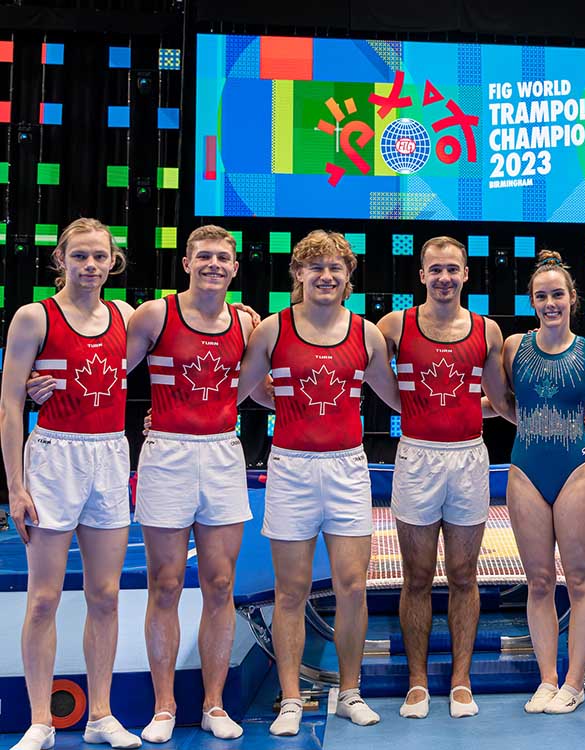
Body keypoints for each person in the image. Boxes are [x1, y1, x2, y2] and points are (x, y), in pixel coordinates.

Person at [237, 230, 399, 735]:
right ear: (299, 274)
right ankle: (290, 699)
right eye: (316, 267)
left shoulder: (367, 334)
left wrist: (473, 409)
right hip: (291, 468)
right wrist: (165, 417)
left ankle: (350, 692)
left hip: (347, 468)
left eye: (335, 268)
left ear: (348, 278)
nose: (326, 276)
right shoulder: (272, 329)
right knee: (291, 590)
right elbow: (234, 392)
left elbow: (402, 400)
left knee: (352, 587)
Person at [1, 219, 141, 750]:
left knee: (105, 595)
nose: (90, 265)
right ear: (60, 259)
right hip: (54, 457)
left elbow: (184, 324)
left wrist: (243, 316)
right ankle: (40, 721)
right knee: (43, 598)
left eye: (99, 256)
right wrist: (15, 487)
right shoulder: (34, 317)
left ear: (113, 261)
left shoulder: (126, 315)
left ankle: (100, 714)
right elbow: (10, 405)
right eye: (79, 255)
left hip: (109, 456)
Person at [118, 225, 254, 741]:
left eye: (222, 257)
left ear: (235, 268)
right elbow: (107, 369)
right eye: (204, 256)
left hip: (221, 453)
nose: (213, 264)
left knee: (220, 584)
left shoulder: (247, 323)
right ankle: (164, 707)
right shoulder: (156, 314)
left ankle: (214, 705)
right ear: (187, 263)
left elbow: (263, 387)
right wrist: (40, 384)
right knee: (167, 583)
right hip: (167, 455)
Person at [376, 236, 509, 719]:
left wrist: (546, 420)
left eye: (453, 269)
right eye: (435, 269)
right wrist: (412, 406)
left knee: (463, 575)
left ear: (466, 274)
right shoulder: (395, 325)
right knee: (415, 577)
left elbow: (499, 400)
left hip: (468, 458)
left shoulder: (487, 330)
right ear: (422, 275)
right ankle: (416, 682)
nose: (444, 277)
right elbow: (356, 361)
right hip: (417, 458)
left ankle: (460, 681)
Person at [497, 250, 585, 715]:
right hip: (526, 470)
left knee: (580, 580)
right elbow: (501, 402)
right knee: (539, 581)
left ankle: (574, 682)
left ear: (572, 299)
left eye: (558, 295)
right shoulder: (513, 348)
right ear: (532, 301)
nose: (550, 304)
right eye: (542, 296)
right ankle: (547, 679)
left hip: (576, 470)